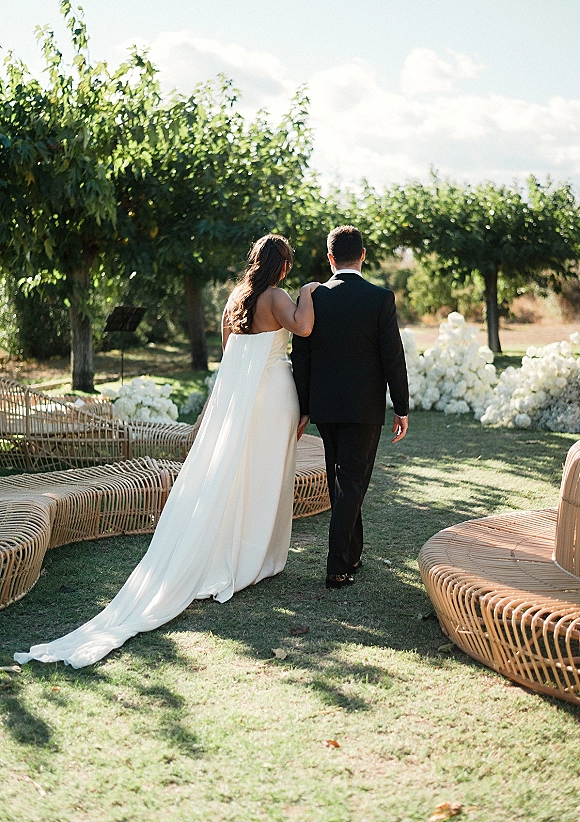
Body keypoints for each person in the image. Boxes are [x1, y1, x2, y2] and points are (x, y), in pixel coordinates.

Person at [15, 234, 319, 668]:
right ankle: (255, 556)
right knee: (267, 474)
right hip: (272, 397)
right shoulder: (279, 296)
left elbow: (230, 358)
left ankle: (235, 552)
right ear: (282, 265)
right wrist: (309, 291)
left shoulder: (236, 298)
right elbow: (303, 327)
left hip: (242, 401)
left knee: (236, 474)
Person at [291, 225, 409, 589]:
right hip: (363, 407)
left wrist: (305, 407)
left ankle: (353, 555)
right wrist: (401, 408)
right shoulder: (379, 298)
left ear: (330, 258)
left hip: (325, 407)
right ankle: (337, 567)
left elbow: (302, 357)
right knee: (352, 484)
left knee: (343, 482)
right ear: (362, 256)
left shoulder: (313, 298)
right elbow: (393, 357)